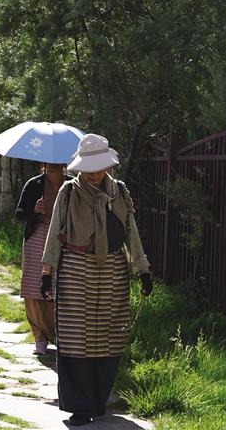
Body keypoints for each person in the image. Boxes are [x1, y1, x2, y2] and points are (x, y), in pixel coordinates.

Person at [40, 134, 153, 426]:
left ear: (108, 166)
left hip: (113, 270)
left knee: (109, 338)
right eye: (89, 169)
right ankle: (79, 407)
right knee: (76, 339)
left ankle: (97, 401)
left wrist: (142, 270)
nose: (94, 174)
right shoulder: (68, 192)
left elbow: (131, 231)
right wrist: (47, 273)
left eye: (99, 168)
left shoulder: (120, 192)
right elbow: (54, 232)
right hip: (75, 270)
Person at [15, 163, 71, 355]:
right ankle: (39, 336)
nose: (54, 164)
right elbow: (20, 213)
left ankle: (60, 334)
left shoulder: (72, 185)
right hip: (37, 235)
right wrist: (34, 210)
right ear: (43, 163)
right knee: (33, 286)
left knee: (60, 286)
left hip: (64, 238)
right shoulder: (34, 184)